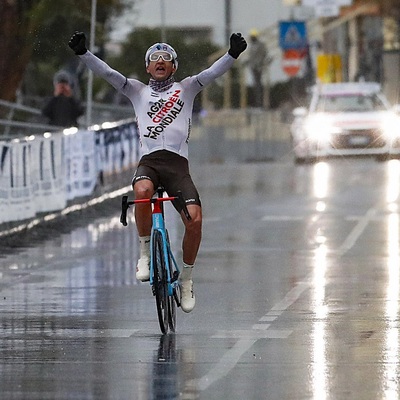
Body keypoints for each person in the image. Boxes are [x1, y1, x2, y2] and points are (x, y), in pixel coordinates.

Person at [68, 31, 247, 312]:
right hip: (149, 163)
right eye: (154, 58)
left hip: (178, 167)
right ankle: (144, 254)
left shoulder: (187, 88)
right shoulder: (137, 91)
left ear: (174, 67)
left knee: (195, 220)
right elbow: (108, 73)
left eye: (166, 58)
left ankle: (186, 279)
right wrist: (83, 54)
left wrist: (232, 55)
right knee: (141, 191)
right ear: (147, 67)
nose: (160, 61)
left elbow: (212, 73)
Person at [246, 29, 270, 108]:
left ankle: (259, 103)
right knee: (256, 85)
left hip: (259, 67)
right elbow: (250, 57)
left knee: (258, 85)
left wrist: (261, 63)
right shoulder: (251, 46)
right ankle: (256, 102)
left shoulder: (261, 45)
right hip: (253, 67)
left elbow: (264, 54)